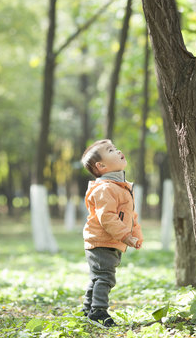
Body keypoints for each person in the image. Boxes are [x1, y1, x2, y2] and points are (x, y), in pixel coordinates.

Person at [81, 139, 143, 328]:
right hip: (101, 241)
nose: (118, 151)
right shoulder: (105, 189)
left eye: (116, 148)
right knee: (105, 277)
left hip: (108, 241)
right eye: (111, 150)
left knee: (98, 276)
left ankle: (88, 309)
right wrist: (125, 236)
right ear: (101, 165)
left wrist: (136, 235)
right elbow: (107, 217)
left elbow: (130, 216)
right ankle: (98, 311)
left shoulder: (120, 187)